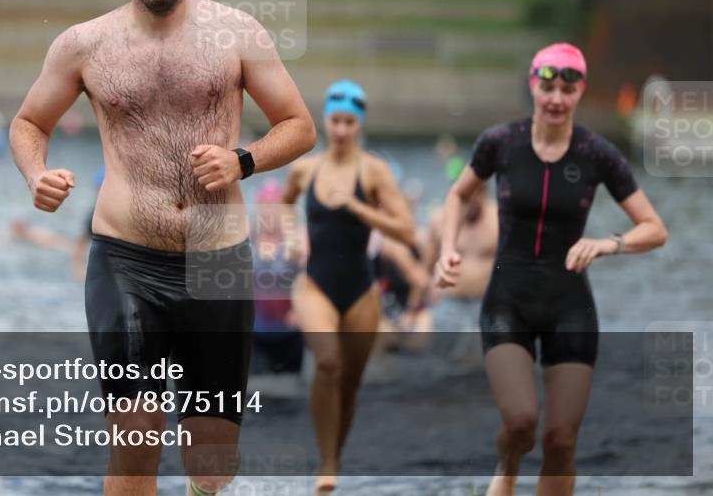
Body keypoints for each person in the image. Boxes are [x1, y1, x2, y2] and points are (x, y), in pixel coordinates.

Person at [9, 0, 316, 496]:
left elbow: (299, 125)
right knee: (136, 440)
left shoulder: (237, 33)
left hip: (218, 260)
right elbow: (27, 123)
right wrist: (35, 174)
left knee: (212, 461)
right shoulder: (84, 44)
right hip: (127, 257)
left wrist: (242, 161)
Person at [436, 43, 668, 496]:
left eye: (568, 88)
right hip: (508, 300)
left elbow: (655, 228)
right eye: (548, 88)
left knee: (560, 441)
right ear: (533, 88)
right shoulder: (500, 143)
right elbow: (458, 195)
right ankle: (507, 467)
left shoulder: (597, 154)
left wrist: (609, 244)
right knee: (521, 421)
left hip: (570, 305)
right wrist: (448, 248)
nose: (557, 99)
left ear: (580, 91)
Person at [282, 80, 415, 493]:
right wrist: (290, 236)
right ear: (325, 120)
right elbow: (285, 203)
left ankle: (333, 457)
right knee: (327, 362)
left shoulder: (373, 172)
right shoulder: (306, 168)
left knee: (350, 384)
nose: (341, 129)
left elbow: (406, 228)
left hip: (360, 288)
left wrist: (359, 206)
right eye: (335, 121)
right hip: (315, 284)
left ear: (360, 124)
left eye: (349, 122)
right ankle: (326, 465)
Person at [423, 166, 498, 363]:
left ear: (485, 194)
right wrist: (421, 299)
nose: (472, 199)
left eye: (477, 193)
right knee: (442, 362)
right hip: (450, 303)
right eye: (466, 194)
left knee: (486, 363)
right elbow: (426, 266)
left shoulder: (500, 220)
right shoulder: (439, 221)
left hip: (486, 302)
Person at [250, 178, 305, 375]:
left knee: (289, 396)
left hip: (289, 332)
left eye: (274, 207)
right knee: (258, 395)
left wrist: (301, 310)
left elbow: (311, 278)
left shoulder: (296, 240)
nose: (269, 212)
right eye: (265, 206)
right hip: (255, 333)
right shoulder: (246, 239)